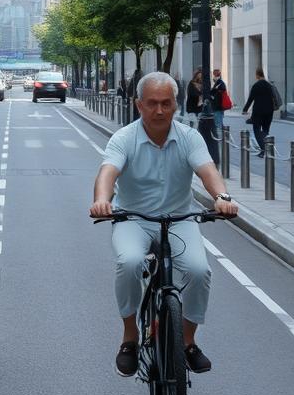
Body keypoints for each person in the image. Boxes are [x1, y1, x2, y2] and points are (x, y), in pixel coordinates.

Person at [90, 72, 239, 376]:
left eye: (166, 104)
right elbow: (108, 172)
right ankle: (130, 337)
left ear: (175, 105)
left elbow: (208, 170)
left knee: (199, 271)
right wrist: (102, 201)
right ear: (138, 105)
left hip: (179, 218)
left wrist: (222, 197)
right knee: (129, 262)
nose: (159, 110)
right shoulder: (124, 138)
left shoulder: (189, 137)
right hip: (133, 217)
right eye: (152, 103)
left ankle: (187, 342)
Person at [242, 66, 276, 158]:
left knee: (257, 131)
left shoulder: (256, 85)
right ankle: (266, 149)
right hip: (269, 111)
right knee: (265, 130)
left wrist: (245, 110)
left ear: (257, 75)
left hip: (258, 112)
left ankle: (264, 149)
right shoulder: (269, 85)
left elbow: (250, 99)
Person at [210, 68, 229, 134]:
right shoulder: (218, 83)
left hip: (218, 107)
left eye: (214, 75)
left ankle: (221, 139)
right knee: (219, 123)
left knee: (218, 124)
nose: (213, 77)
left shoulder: (220, 83)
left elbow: (217, 94)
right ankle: (223, 137)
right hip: (218, 107)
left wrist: (213, 93)